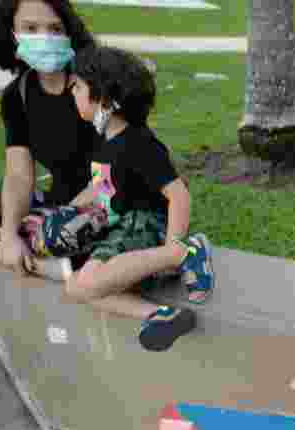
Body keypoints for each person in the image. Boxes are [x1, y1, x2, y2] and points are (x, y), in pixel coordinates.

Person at [64, 45, 213, 351]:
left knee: (89, 283)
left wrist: (172, 248)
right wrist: (65, 211)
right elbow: (101, 188)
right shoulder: (104, 141)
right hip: (121, 230)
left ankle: (186, 253)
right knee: (75, 286)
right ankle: (162, 315)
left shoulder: (138, 143)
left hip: (143, 225)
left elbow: (178, 194)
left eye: (77, 86)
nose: (73, 93)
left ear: (104, 97)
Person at [0, 0, 105, 278]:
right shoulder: (18, 95)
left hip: (100, 204)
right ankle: (22, 251)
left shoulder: (96, 87)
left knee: (62, 230)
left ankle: (17, 249)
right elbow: (18, 175)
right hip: (51, 207)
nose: (45, 37)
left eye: (55, 28)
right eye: (30, 28)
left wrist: (48, 219)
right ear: (11, 32)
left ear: (69, 34)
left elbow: (111, 176)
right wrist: (8, 233)